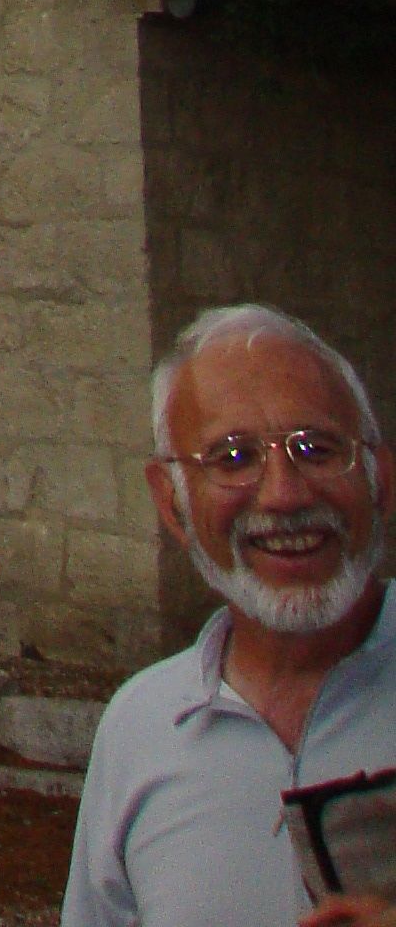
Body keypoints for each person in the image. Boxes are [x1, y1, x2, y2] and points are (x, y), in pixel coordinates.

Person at [64, 302, 396, 927]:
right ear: (171, 503)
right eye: (233, 458)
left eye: (317, 448)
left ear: (380, 475)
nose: (284, 494)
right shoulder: (140, 730)